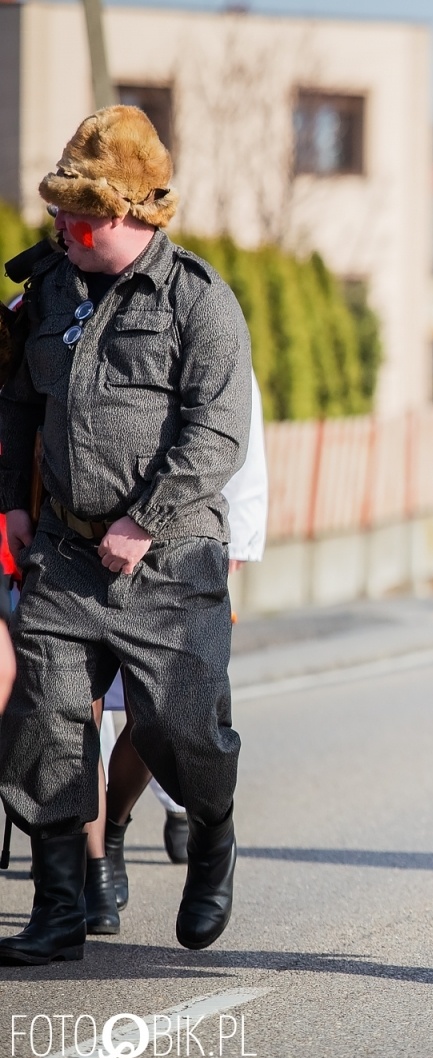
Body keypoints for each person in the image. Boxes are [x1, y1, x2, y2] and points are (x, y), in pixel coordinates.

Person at [0, 105, 251, 965]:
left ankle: (212, 830)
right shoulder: (49, 293)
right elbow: (19, 403)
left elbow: (217, 434)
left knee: (180, 730)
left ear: (121, 216)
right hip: (65, 556)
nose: (57, 228)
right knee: (45, 723)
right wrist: (14, 502)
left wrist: (143, 521)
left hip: (172, 562)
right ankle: (59, 911)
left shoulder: (199, 301)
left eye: (72, 216)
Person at [86, 371, 268, 935]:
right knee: (71, 712)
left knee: (155, 716)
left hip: (176, 548)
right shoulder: (47, 307)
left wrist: (233, 538)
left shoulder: (195, 305)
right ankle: (89, 869)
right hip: (68, 542)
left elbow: (233, 426)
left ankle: (121, 820)